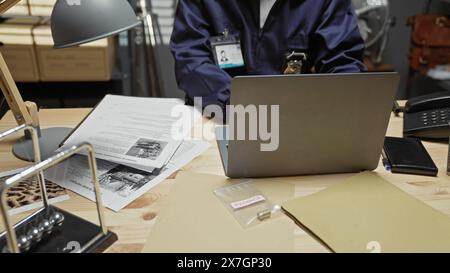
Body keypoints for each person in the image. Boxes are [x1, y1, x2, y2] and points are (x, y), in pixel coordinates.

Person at [170, 0, 367, 110]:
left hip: (292, 120)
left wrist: (343, 103)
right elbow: (191, 58)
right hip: (217, 117)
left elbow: (343, 62)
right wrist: (238, 102)